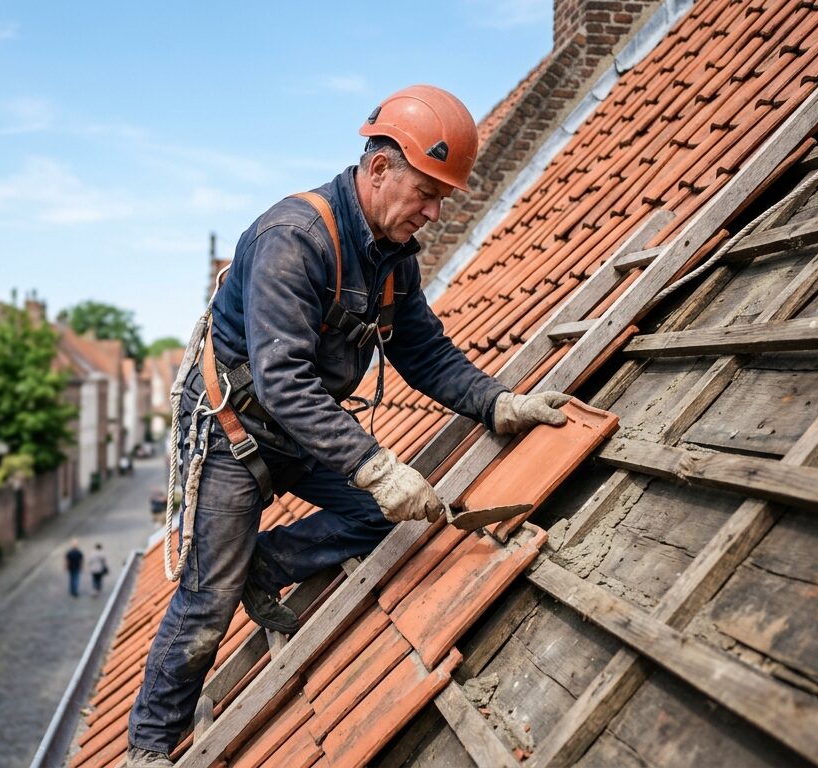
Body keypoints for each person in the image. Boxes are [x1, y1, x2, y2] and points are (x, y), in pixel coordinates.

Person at [124, 85, 581, 767]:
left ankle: (261, 565)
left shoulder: (392, 256)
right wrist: (375, 465)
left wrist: (497, 403)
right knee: (205, 601)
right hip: (234, 431)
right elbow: (282, 382)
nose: (432, 213)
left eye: (441, 200)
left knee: (383, 516)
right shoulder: (295, 238)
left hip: (301, 430)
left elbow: (423, 352)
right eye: (425, 193)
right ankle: (147, 748)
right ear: (377, 169)